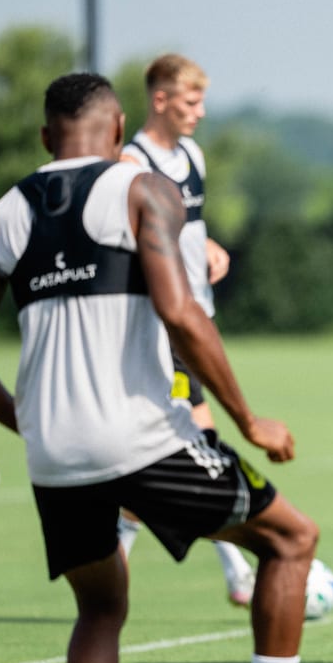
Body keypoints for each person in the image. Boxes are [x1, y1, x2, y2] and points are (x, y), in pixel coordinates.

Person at [0, 72, 333, 663]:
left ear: (45, 138)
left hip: (55, 457)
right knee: (292, 539)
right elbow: (184, 315)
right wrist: (249, 419)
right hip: (141, 438)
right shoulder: (142, 190)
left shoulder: (3, 212)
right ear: (119, 128)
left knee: (100, 609)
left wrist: (29, 423)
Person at [117, 53, 255, 609]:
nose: (200, 111)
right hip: (159, 325)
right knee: (195, 437)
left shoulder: (191, 154)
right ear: (160, 100)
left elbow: (186, 227)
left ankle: (229, 568)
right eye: (190, 101)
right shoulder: (132, 162)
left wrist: (209, 245)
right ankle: (235, 568)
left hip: (197, 317)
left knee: (187, 439)